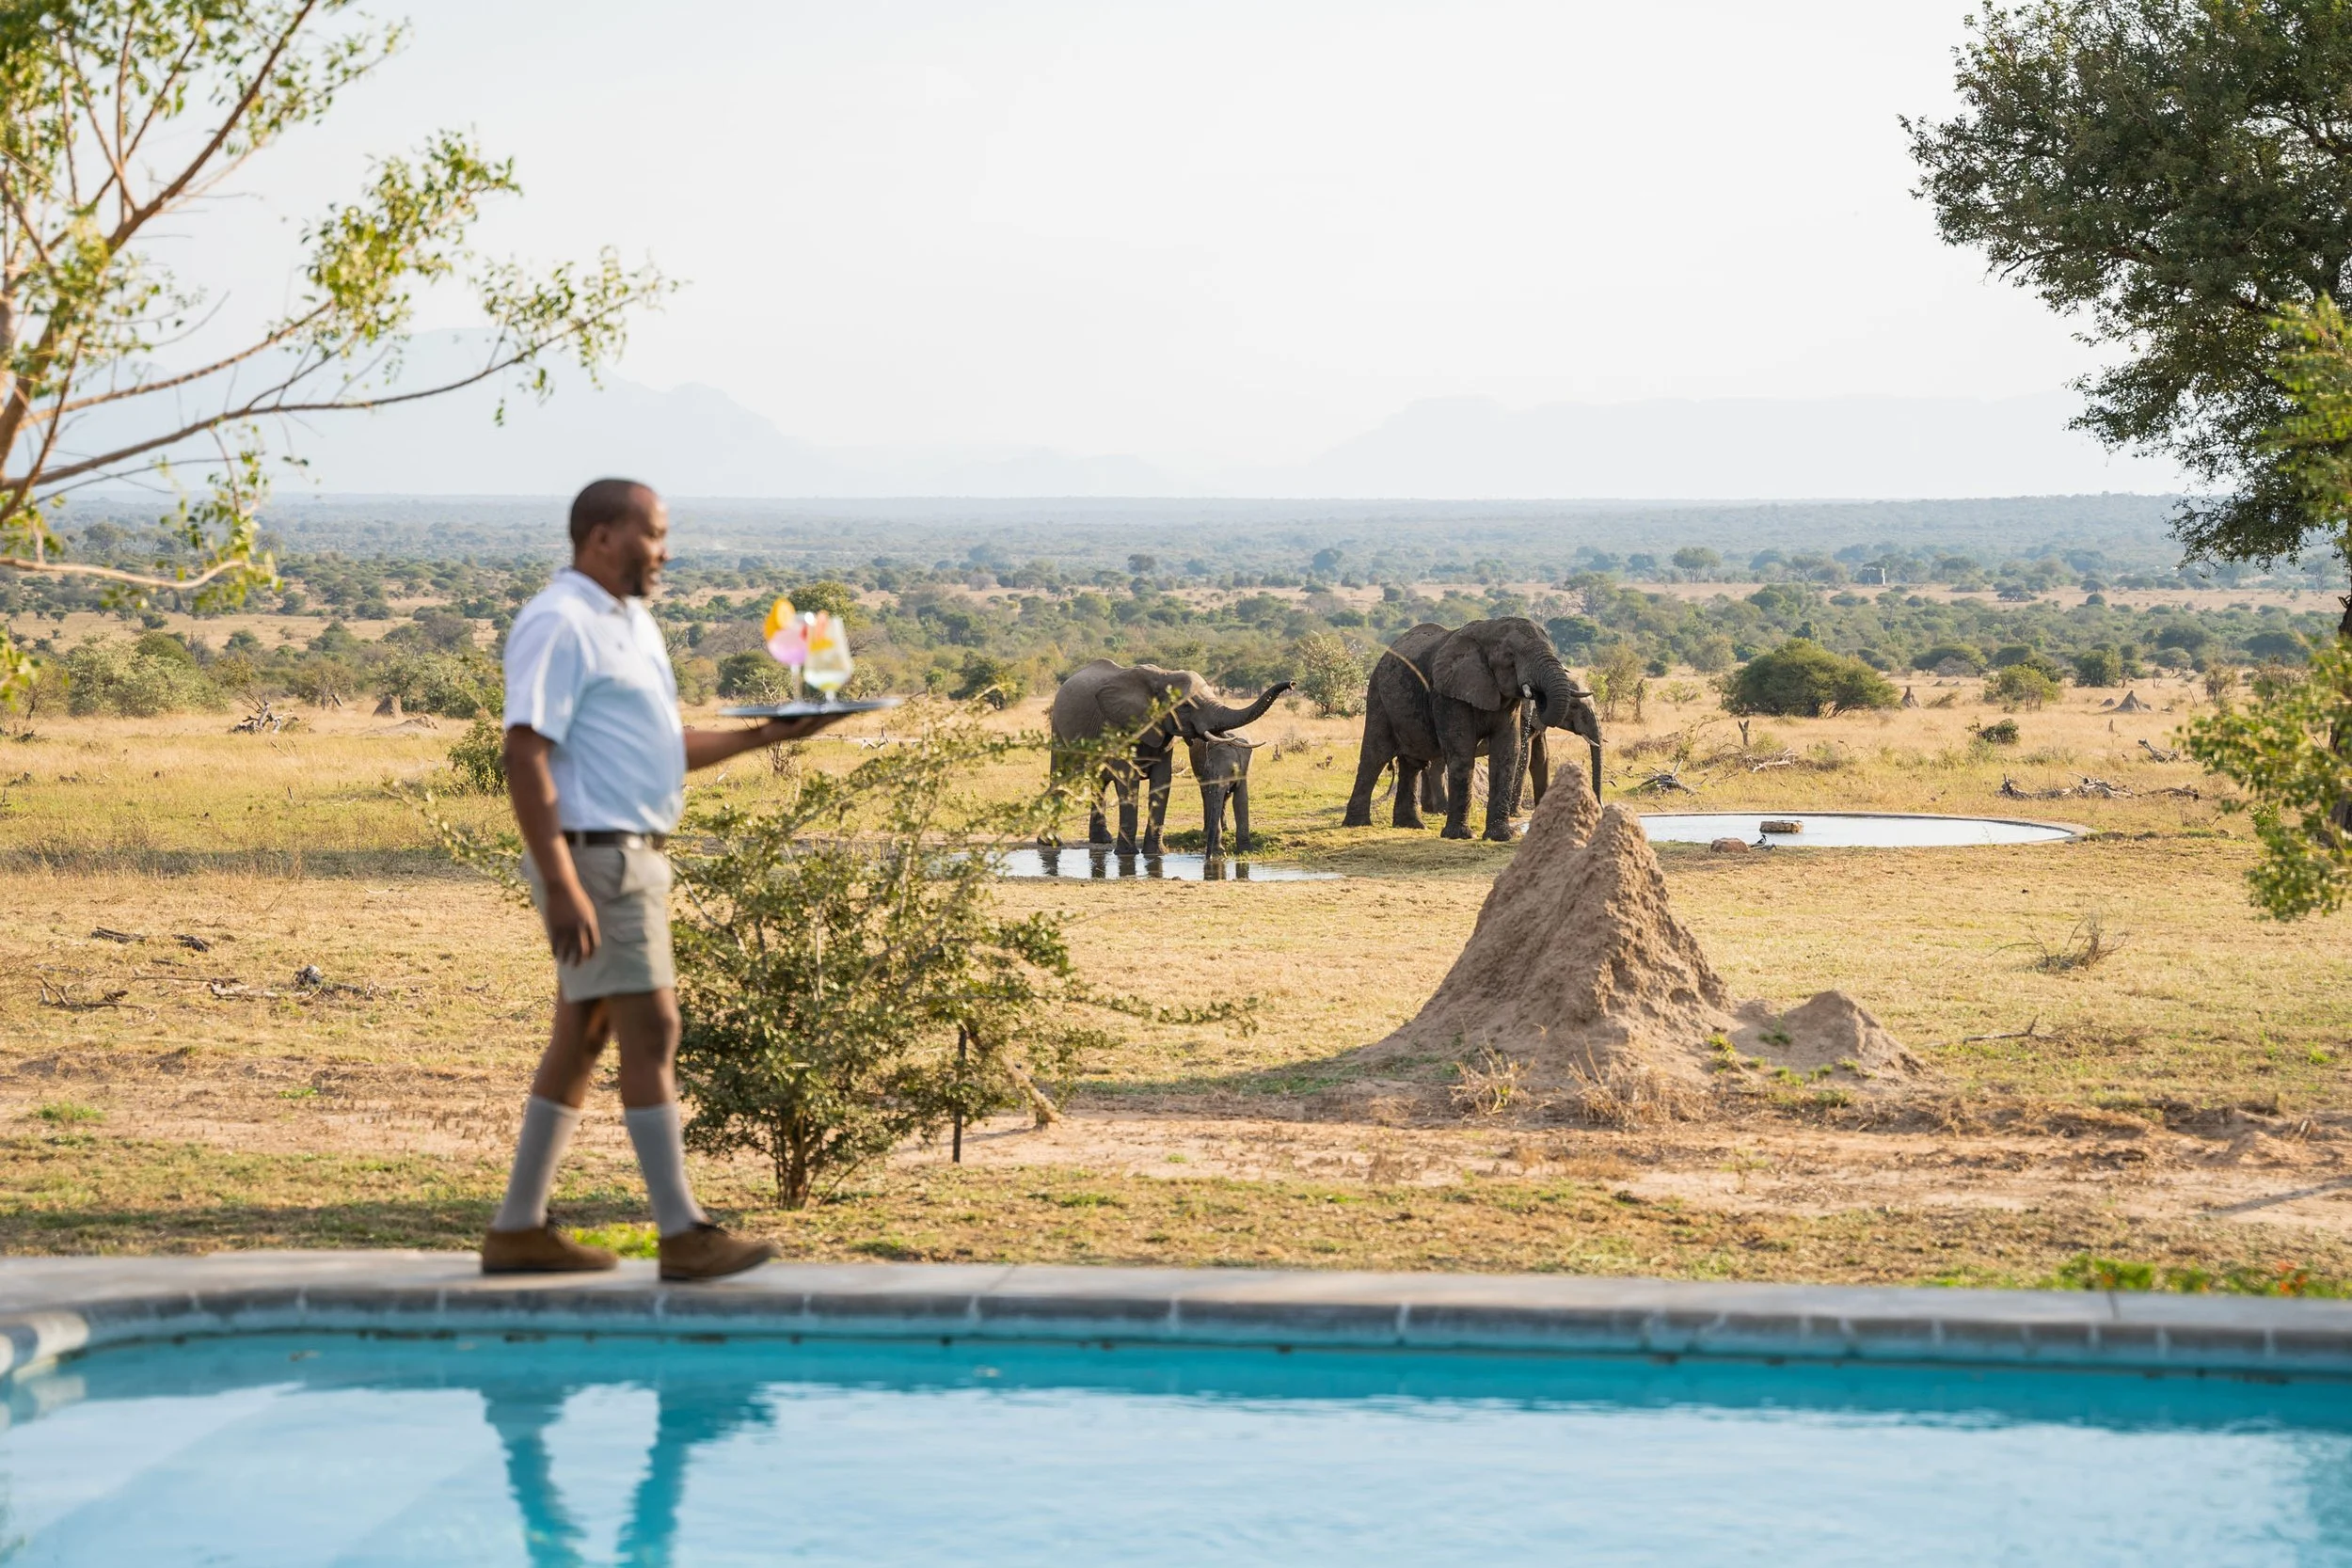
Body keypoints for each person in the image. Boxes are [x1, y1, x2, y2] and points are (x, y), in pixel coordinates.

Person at [482, 478, 847, 1281]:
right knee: (654, 1029)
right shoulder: (562, 620)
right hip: (597, 856)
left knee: (584, 1037)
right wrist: (563, 881)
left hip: (627, 849)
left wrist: (765, 735)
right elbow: (524, 751)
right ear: (604, 535)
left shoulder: (632, 624)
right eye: (654, 533)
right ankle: (683, 1232)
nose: (665, 550)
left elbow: (659, 746)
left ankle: (518, 1228)